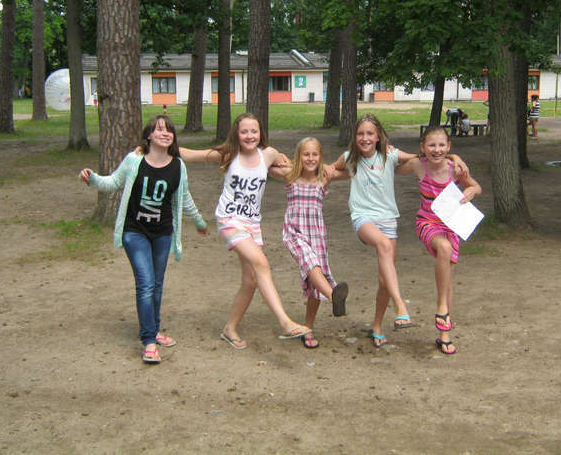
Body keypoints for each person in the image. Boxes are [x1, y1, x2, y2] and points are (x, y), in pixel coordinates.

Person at [328, 114, 467, 348]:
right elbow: (331, 169)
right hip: (363, 218)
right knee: (383, 245)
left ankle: (377, 326)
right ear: (354, 136)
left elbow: (425, 157)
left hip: (388, 220)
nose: (365, 138)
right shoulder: (349, 157)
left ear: (378, 136)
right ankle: (400, 306)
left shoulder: (390, 155)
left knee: (385, 280)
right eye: (360, 133)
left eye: (370, 133)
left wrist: (454, 156)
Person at [79, 115, 208, 364]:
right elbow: (111, 183)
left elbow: (184, 198)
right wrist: (91, 177)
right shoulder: (134, 160)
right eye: (159, 129)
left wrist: (199, 222)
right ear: (149, 135)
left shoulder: (178, 166)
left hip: (162, 233)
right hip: (134, 232)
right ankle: (148, 340)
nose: (165, 133)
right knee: (146, 284)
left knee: (157, 284)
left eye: (169, 130)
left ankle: (154, 330)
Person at [179, 113, 311, 349]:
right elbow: (190, 154)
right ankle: (285, 322)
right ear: (236, 134)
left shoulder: (268, 154)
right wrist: (151, 147)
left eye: (254, 131)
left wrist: (299, 169)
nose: (249, 136)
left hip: (252, 223)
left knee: (250, 280)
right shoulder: (228, 154)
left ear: (261, 133)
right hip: (229, 220)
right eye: (244, 132)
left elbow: (290, 168)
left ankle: (229, 329)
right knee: (261, 264)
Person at [397, 126, 482, 354]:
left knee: (448, 282)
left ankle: (444, 334)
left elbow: (476, 186)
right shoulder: (419, 165)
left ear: (449, 146)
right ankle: (442, 306)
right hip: (427, 223)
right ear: (423, 147)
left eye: (442, 145)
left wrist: (472, 191)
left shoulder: (455, 169)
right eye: (431, 145)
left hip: (451, 225)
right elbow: (391, 168)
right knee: (443, 248)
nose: (437, 150)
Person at [271, 137, 349, 349]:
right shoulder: (290, 175)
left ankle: (308, 328)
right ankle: (333, 295)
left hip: (317, 234)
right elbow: (267, 164)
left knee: (316, 282)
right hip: (295, 233)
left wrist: (331, 167)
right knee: (310, 263)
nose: (310, 158)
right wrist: (280, 157)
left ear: (321, 157)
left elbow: (351, 171)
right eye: (306, 154)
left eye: (315, 154)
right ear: (298, 156)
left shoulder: (324, 177)